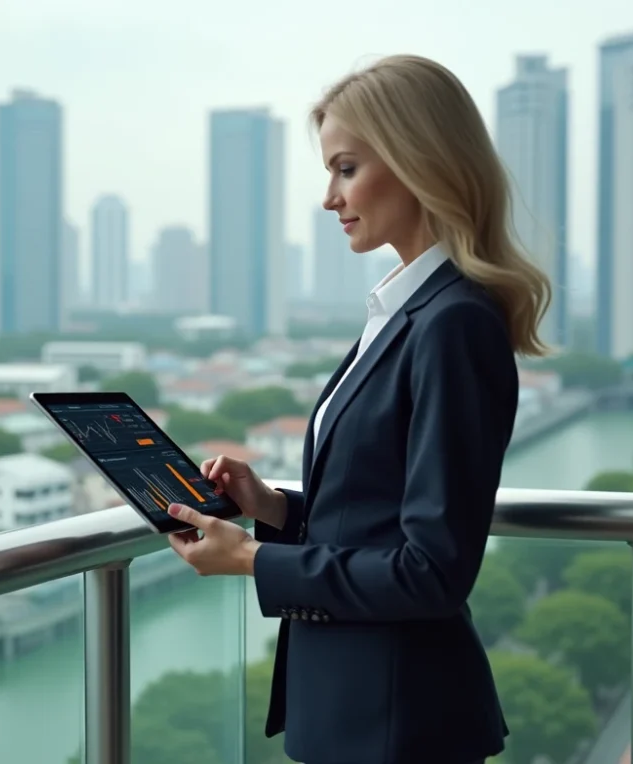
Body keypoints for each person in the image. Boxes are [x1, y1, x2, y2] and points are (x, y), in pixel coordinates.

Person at [165, 54, 551, 764]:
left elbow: (430, 570)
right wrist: (273, 508)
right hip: (358, 712)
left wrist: (250, 558)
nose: (329, 197)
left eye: (346, 168)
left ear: (417, 162)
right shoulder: (406, 308)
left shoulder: (452, 323)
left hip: (400, 724)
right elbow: (377, 514)